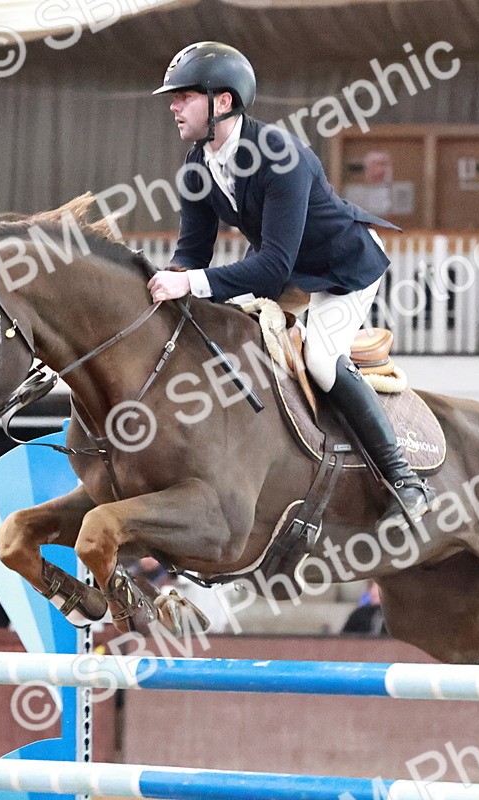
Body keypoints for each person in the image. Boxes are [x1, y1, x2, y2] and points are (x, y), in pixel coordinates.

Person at [146, 41, 434, 530]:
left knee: (320, 359)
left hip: (341, 268)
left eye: (185, 96)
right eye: (174, 97)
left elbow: (272, 268)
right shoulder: (196, 166)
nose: (174, 106)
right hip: (283, 266)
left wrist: (190, 282)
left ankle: (404, 480)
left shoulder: (280, 155)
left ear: (223, 101)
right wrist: (167, 280)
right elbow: (193, 253)